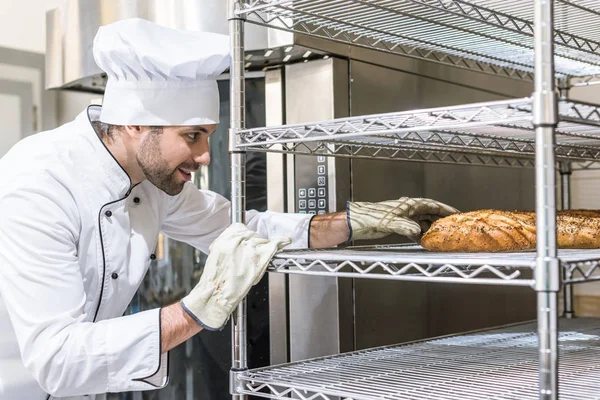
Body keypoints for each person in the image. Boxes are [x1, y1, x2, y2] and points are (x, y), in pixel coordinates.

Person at [0, 18, 458, 400]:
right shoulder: (38, 185)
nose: (206, 157)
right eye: (193, 136)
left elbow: (240, 228)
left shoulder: (151, 174)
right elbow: (57, 361)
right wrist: (199, 308)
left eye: (209, 137)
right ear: (137, 123)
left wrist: (350, 222)